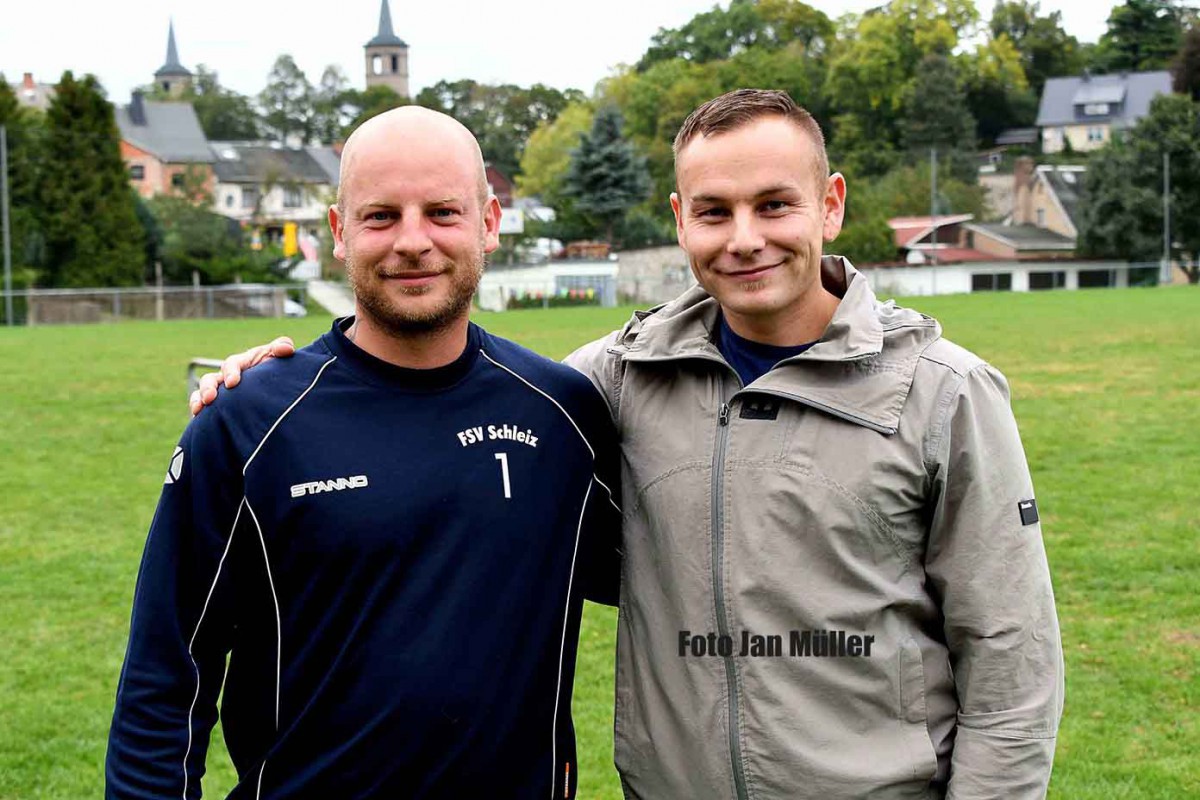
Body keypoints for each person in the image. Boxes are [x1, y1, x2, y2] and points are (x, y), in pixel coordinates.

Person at [193, 89, 1064, 799]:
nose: (745, 238)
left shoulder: (946, 392)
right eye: (714, 211)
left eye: (774, 204)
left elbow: (1011, 658)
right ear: (682, 218)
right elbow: (443, 397)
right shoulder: (608, 382)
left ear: (830, 205)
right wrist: (278, 382)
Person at [107, 107, 621, 800]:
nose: (413, 241)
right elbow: (166, 679)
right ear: (340, 232)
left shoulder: (566, 416)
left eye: (442, 212)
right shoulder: (247, 426)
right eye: (381, 216)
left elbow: (684, 577)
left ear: (489, 221)